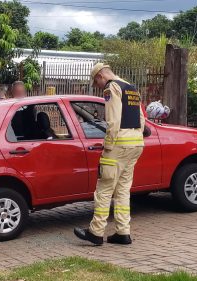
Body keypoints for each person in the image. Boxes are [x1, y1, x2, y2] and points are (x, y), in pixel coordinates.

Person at [74, 63, 145, 246]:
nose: (98, 87)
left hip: (118, 145)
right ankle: (123, 232)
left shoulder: (111, 87)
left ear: (100, 77)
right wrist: (136, 136)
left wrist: (107, 145)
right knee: (122, 190)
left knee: (104, 190)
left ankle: (96, 232)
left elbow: (112, 120)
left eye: (96, 83)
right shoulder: (131, 87)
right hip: (136, 143)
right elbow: (141, 118)